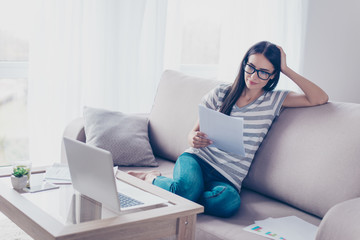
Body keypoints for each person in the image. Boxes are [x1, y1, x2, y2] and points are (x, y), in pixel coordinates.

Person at [128, 41, 328, 218]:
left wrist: (287, 69)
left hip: (227, 177)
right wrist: (193, 138)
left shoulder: (274, 100)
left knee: (228, 203)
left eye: (263, 72)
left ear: (273, 75)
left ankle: (181, 193)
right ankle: (151, 178)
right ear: (244, 64)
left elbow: (319, 98)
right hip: (198, 160)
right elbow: (192, 134)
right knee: (187, 191)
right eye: (251, 67)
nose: (254, 76)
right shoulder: (221, 93)